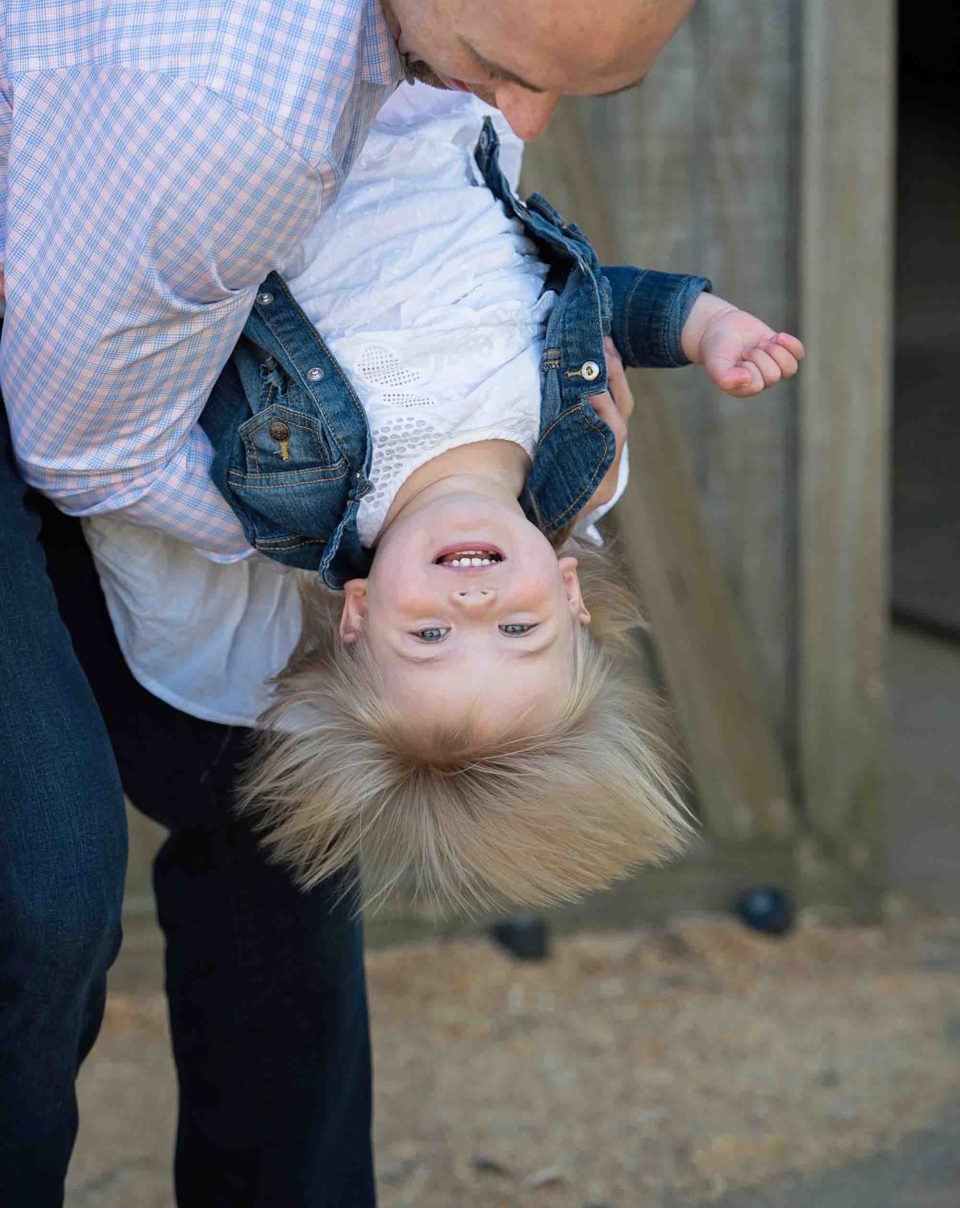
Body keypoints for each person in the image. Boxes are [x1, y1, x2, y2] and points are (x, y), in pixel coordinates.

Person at [0, 0, 730, 1201]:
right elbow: (83, 438)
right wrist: (337, 537)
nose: (508, 118)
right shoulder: (238, 117)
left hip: (146, 324)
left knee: (296, 788)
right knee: (43, 881)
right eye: (492, 59)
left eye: (555, 87)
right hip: (81, 356)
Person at [83, 82, 804, 918]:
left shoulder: (291, 490)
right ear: (572, 596)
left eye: (430, 635)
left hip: (265, 122)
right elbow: (593, 297)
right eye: (516, 630)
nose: (473, 601)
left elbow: (176, 355)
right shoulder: (577, 444)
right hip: (439, 98)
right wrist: (708, 327)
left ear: (356, 615)